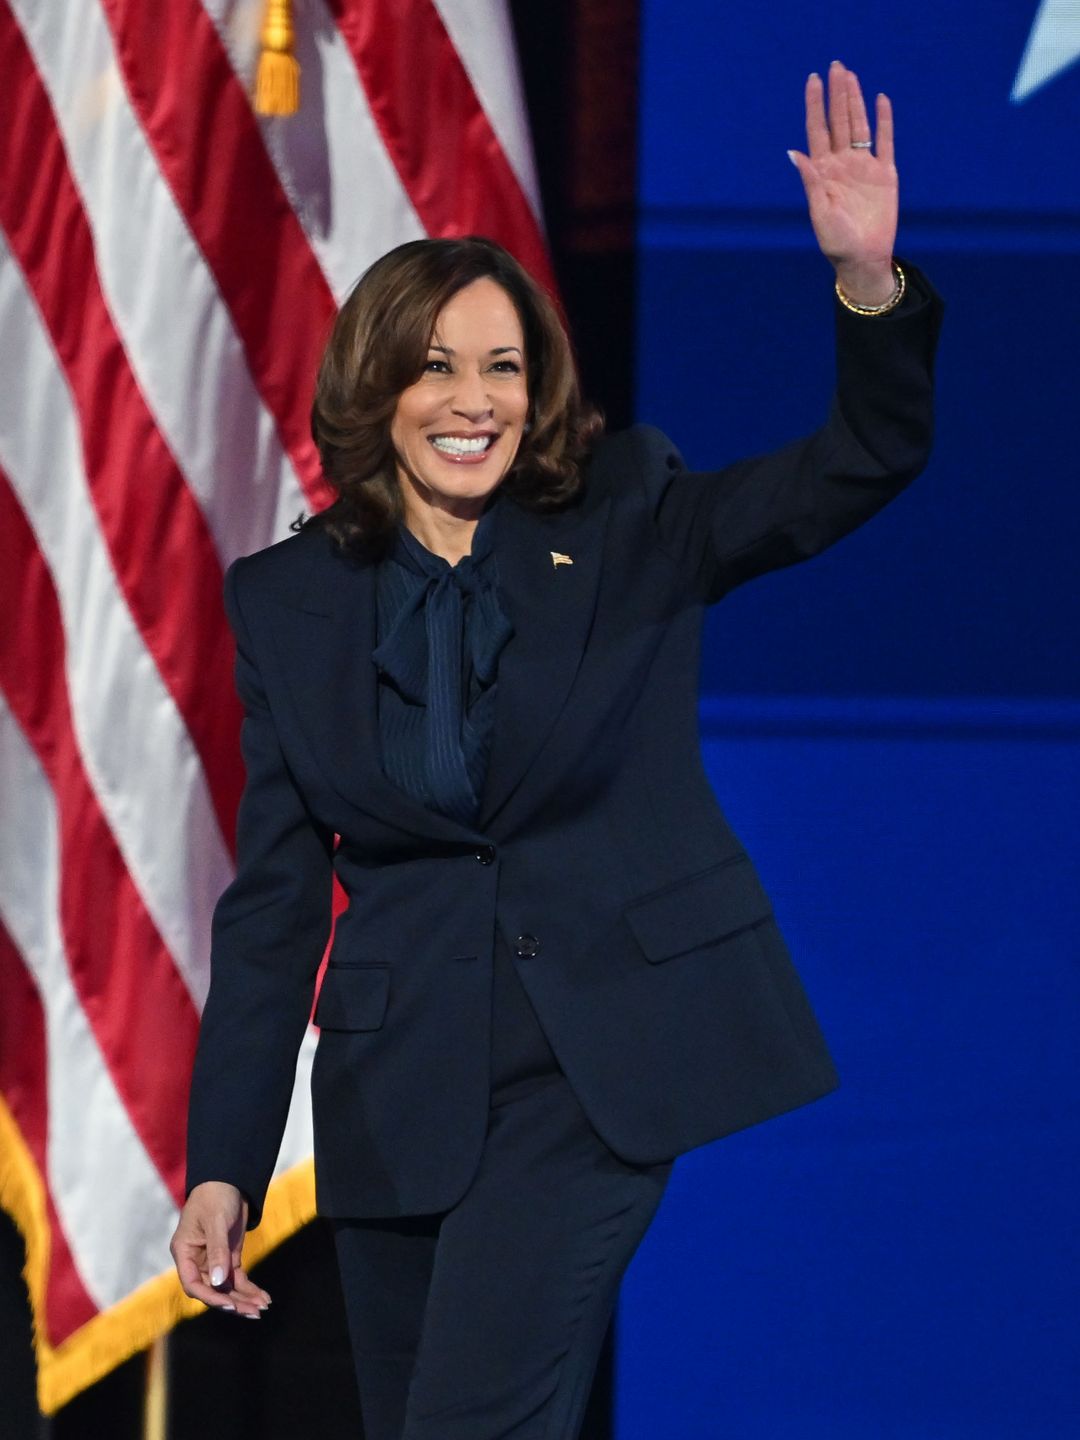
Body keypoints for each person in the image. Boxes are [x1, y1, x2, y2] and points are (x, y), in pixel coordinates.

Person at [172, 61, 943, 1440]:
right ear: (378, 386)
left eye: (504, 366)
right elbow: (275, 902)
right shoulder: (286, 600)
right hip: (396, 1096)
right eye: (437, 366)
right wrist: (223, 1161)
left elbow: (855, 464)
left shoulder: (634, 514)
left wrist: (869, 285)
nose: (475, 400)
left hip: (597, 1072)